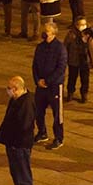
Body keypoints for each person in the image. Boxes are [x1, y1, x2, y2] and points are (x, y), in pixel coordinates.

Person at [0, 76, 36, 185]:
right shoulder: (17, 99)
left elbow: (23, 126)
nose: (7, 91)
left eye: (9, 88)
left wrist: (13, 142)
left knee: (22, 175)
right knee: (17, 174)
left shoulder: (25, 103)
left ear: (16, 89)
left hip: (19, 145)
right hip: (14, 143)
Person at [32, 22, 67, 150]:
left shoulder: (60, 48)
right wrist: (37, 80)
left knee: (57, 114)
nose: (44, 33)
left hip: (54, 86)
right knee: (38, 111)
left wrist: (47, 81)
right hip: (41, 86)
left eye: (46, 31)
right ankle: (42, 132)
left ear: (53, 33)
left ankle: (59, 138)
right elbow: (34, 65)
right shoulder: (40, 47)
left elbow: (61, 68)